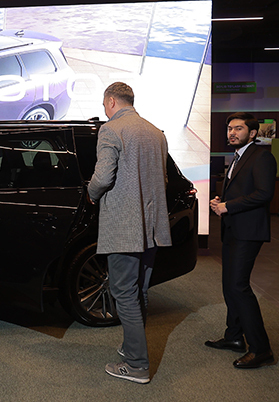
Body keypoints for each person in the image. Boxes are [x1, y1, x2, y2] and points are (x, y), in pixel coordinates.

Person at [87, 82, 171, 384]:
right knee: (139, 292)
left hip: (125, 226)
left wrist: (91, 194)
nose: (104, 110)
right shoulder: (156, 132)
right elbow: (162, 178)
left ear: (111, 101)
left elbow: (103, 177)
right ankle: (131, 347)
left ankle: (137, 365)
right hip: (152, 227)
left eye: (104, 105)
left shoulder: (111, 130)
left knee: (123, 293)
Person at [207, 112, 277, 369]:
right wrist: (222, 201)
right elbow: (241, 190)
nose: (232, 133)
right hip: (233, 229)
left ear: (253, 133)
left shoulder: (262, 157)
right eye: (229, 129)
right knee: (229, 285)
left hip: (248, 232)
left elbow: (264, 193)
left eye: (238, 128)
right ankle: (234, 336)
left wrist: (228, 206)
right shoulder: (238, 156)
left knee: (238, 286)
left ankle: (261, 349)